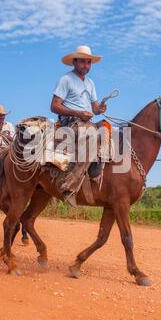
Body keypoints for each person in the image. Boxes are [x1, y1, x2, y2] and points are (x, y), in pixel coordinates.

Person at [51, 45, 108, 205]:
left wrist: (100, 109)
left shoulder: (90, 83)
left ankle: (96, 170)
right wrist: (78, 113)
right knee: (91, 133)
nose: (86, 65)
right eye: (82, 62)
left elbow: (95, 109)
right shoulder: (66, 79)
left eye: (89, 62)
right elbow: (54, 106)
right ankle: (69, 186)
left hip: (86, 121)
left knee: (106, 128)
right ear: (74, 62)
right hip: (69, 122)